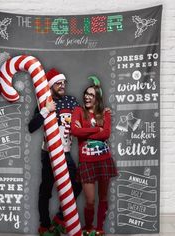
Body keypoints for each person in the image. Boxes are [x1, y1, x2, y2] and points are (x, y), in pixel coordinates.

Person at [28, 68, 82, 236]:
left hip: (65, 153)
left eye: (63, 83)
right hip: (49, 153)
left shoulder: (72, 101)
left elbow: (84, 118)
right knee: (46, 190)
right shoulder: (44, 103)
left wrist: (100, 114)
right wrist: (46, 110)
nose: (62, 85)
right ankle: (44, 226)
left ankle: (60, 218)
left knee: (77, 184)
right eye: (58, 83)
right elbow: (31, 127)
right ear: (50, 86)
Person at [71, 76, 118, 236]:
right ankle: (89, 227)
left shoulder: (104, 113)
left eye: (91, 95)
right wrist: (96, 130)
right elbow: (75, 131)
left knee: (103, 197)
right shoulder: (78, 111)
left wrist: (90, 133)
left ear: (97, 98)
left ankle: (99, 229)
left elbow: (107, 133)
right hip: (87, 162)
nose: (87, 97)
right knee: (90, 200)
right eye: (86, 94)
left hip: (104, 160)